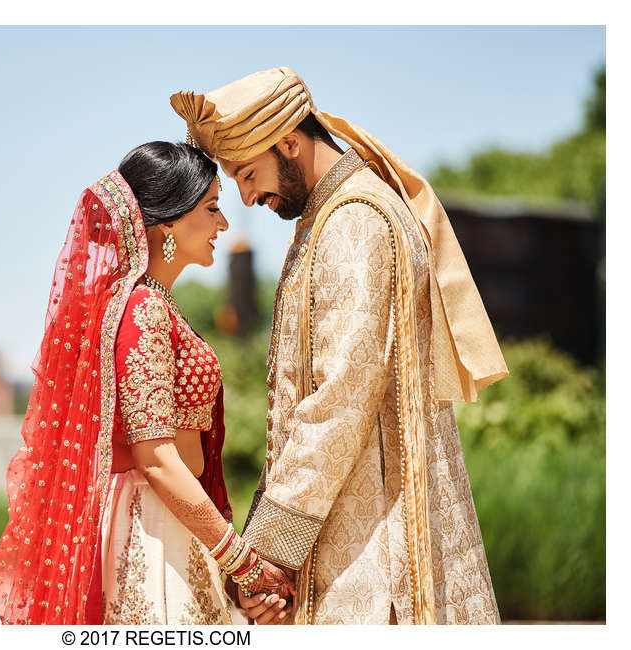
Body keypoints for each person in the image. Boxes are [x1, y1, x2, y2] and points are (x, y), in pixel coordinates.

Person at [170, 67, 509, 625]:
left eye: (247, 174)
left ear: (289, 142)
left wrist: (266, 552)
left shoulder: (355, 220)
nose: (247, 197)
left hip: (377, 559)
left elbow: (340, 398)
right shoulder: (332, 215)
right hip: (360, 530)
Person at [0, 142, 293, 625]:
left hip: (175, 520)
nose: (223, 224)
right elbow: (156, 458)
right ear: (168, 222)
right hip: (152, 529)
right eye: (212, 208)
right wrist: (241, 559)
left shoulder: (152, 304)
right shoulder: (144, 309)